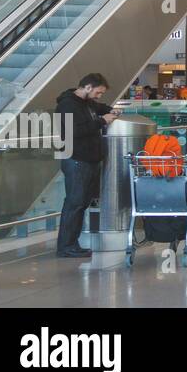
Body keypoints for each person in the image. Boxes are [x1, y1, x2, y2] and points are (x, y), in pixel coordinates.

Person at [55, 74, 119, 258]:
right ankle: (66, 246)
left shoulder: (88, 103)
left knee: (81, 203)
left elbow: (101, 108)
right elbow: (73, 131)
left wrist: (111, 111)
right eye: (98, 92)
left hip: (88, 159)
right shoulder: (67, 105)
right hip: (76, 159)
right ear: (88, 87)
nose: (99, 96)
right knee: (74, 203)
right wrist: (102, 121)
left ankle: (71, 243)